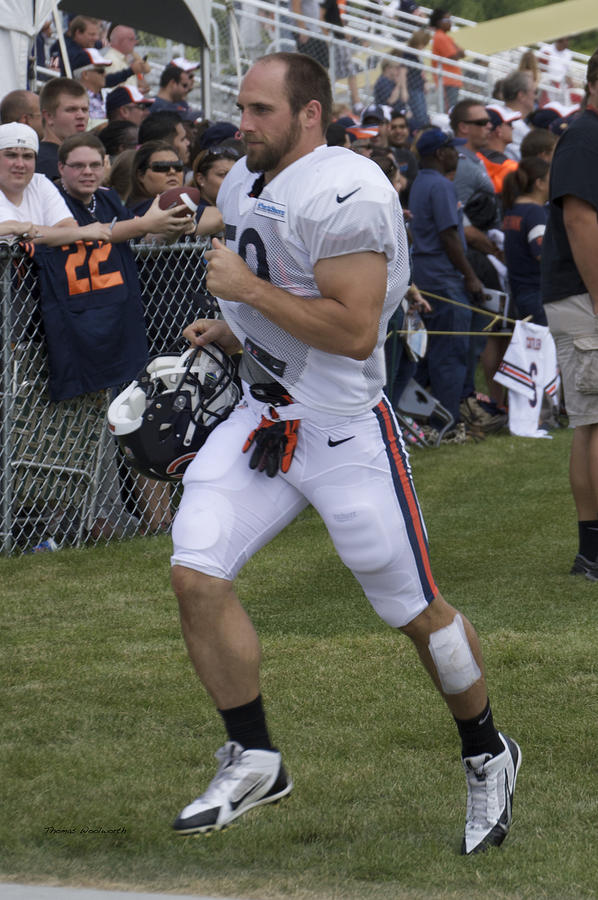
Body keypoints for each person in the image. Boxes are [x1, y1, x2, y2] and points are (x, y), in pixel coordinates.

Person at [169, 52, 520, 855]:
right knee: (195, 572)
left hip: (341, 428)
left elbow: (355, 330)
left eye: (261, 111)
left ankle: (486, 752)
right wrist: (237, 327)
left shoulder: (347, 189)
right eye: (243, 109)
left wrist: (251, 295)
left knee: (416, 614)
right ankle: (255, 755)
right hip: (265, 416)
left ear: (312, 113)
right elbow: (276, 295)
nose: (242, 126)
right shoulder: (244, 183)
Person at [540, 48, 598, 581]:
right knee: (595, 424)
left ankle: (592, 552)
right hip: (584, 296)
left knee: (593, 424)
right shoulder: (584, 136)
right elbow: (580, 221)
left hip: (582, 293)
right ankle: (593, 551)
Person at [409, 126, 484, 436]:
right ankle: (450, 424)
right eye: (453, 148)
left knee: (430, 353)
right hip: (443, 277)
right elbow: (449, 235)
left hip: (425, 275)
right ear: (440, 153)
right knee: (450, 353)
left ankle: (428, 416)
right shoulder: (440, 185)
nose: (458, 154)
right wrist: (471, 276)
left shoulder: (419, 183)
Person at [502, 156, 549, 325]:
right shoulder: (535, 213)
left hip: (519, 291)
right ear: (539, 183)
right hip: (537, 293)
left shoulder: (513, 209)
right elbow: (541, 253)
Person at [37, 78, 89, 181]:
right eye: (71, 109)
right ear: (49, 116)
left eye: (85, 109)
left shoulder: (79, 158)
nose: (81, 115)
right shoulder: (43, 162)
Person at [429, 9, 465, 110]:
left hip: (450, 81)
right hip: (447, 82)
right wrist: (458, 51)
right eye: (447, 20)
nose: (450, 22)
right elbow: (454, 56)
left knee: (450, 110)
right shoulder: (440, 37)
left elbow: (462, 53)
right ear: (438, 22)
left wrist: (458, 51)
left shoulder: (445, 37)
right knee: (448, 111)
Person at [501, 71, 536, 162]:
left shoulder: (500, 116)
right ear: (521, 96)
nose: (535, 97)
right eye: (534, 92)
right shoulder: (518, 127)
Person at [403, 29, 431, 130]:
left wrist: (425, 81)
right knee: (420, 117)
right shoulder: (408, 54)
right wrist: (404, 90)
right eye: (423, 44)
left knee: (423, 115)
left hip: (418, 88)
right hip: (412, 89)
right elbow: (404, 72)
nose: (423, 47)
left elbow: (421, 72)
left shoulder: (416, 54)